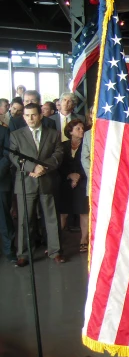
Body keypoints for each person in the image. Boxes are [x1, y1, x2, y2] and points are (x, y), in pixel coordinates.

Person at [9, 103, 65, 266]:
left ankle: (55, 251)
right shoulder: (16, 135)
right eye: (27, 115)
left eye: (33, 115)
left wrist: (43, 167)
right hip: (26, 182)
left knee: (52, 217)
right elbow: (14, 157)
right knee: (25, 220)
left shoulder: (53, 134)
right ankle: (23, 254)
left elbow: (58, 154)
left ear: (40, 115)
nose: (30, 118)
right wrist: (32, 167)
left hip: (47, 181)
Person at [56, 119, 89, 253]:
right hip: (65, 184)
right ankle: (57, 241)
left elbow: (88, 161)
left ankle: (83, 240)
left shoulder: (87, 145)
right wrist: (69, 175)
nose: (81, 131)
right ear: (70, 132)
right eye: (78, 129)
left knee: (83, 212)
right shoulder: (62, 146)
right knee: (63, 213)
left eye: (82, 128)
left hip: (82, 183)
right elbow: (59, 165)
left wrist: (78, 176)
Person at [0, 123, 13, 263]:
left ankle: (9, 250)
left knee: (4, 218)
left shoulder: (4, 131)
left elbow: (7, 154)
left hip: (1, 181)